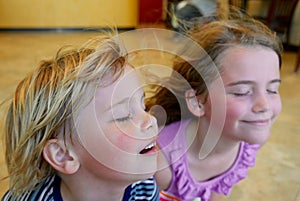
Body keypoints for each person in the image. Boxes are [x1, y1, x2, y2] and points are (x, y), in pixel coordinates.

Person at [1, 32, 160, 201]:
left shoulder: (145, 190)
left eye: (144, 106)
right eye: (123, 116)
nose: (151, 119)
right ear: (63, 155)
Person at [146, 15, 283, 201]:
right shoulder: (159, 162)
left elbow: (216, 192)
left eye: (272, 89)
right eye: (242, 92)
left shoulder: (248, 140)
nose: (264, 105)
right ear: (198, 102)